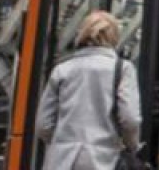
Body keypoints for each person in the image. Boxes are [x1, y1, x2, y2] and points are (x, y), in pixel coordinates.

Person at [36, 10, 142, 169]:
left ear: (82, 35)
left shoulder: (62, 69)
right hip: (103, 161)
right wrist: (131, 146)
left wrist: (63, 143)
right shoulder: (123, 69)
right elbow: (130, 119)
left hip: (60, 161)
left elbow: (43, 125)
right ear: (114, 37)